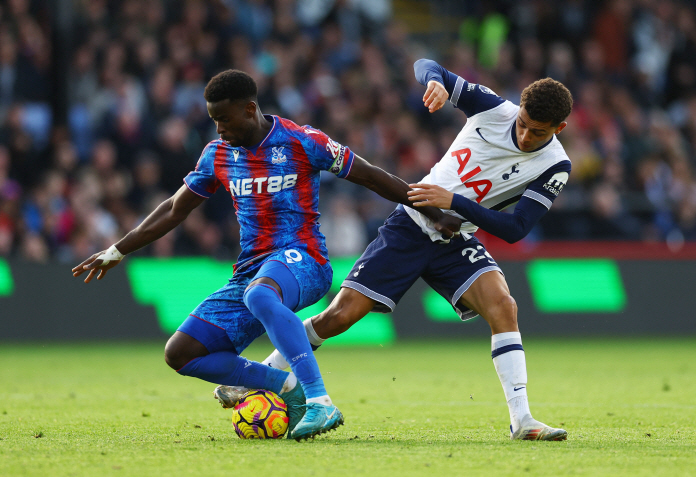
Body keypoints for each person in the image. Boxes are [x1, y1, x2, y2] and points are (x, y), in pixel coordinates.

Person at [72, 69, 459, 441]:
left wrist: (432, 212)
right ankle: (283, 385)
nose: (219, 129)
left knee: (260, 294)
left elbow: (373, 176)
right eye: (213, 121)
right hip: (251, 271)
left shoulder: (303, 141)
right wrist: (117, 249)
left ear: (249, 108)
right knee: (181, 353)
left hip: (304, 259)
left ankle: (319, 400)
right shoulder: (217, 155)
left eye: (224, 119)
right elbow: (175, 208)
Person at [260, 59, 573, 441]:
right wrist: (436, 83)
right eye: (523, 124)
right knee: (340, 316)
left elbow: (516, 228)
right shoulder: (493, 108)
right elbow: (426, 63)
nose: (524, 136)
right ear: (518, 110)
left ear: (559, 129)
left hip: (456, 237)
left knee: (504, 306)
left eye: (537, 132)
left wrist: (454, 202)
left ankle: (522, 420)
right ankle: (265, 374)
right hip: (412, 223)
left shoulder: (555, 164)